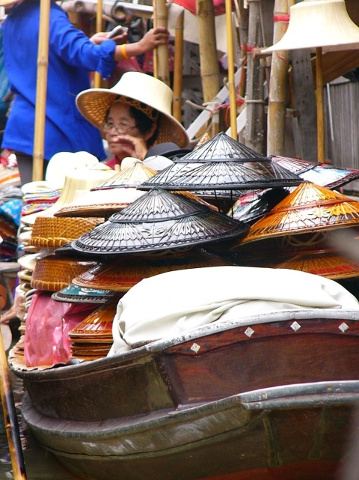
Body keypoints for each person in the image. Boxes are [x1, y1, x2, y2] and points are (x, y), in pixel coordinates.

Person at [0, 0, 170, 184]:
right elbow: (83, 53)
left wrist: (89, 44)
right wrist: (139, 47)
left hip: (26, 126)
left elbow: (58, 55)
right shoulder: (49, 15)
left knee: (35, 202)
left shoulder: (14, 18)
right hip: (52, 125)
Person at [76, 71, 190, 170]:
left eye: (123, 125)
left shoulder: (167, 168)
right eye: (110, 124)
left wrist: (146, 163)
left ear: (149, 131)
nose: (112, 132)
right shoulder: (102, 172)